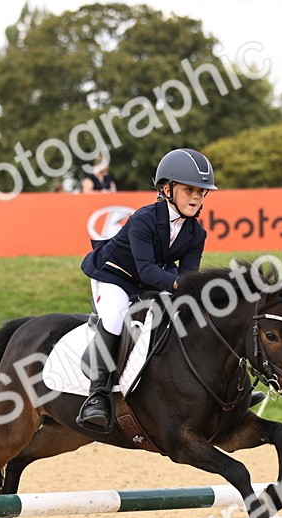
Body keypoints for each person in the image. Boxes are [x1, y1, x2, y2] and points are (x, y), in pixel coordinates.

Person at [76, 147, 215, 430]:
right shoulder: (144, 219)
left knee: (189, 312)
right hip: (113, 275)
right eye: (189, 189)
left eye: (202, 192)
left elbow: (187, 275)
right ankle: (97, 395)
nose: (197, 197)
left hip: (148, 280)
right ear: (166, 188)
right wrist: (181, 284)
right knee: (115, 316)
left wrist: (195, 294)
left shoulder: (196, 233)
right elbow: (147, 270)